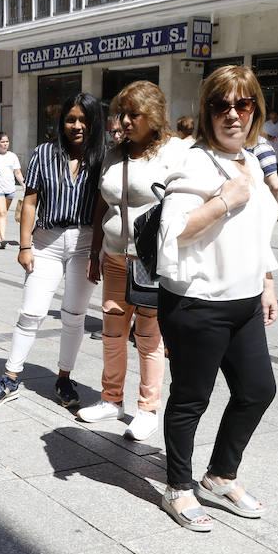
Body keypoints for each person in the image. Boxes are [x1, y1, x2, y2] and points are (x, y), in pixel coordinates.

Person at [156, 65, 278, 531]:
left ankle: (220, 474)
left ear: (255, 110)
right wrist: (224, 200)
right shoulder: (193, 161)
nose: (232, 114)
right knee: (191, 398)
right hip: (198, 302)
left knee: (257, 391)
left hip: (244, 300)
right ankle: (178, 488)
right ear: (206, 111)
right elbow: (174, 233)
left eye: (242, 104)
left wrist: (267, 282)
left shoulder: (252, 158)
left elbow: (258, 231)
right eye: (221, 105)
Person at [79, 81, 187, 441]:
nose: (123, 121)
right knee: (111, 329)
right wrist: (96, 250)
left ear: (154, 116)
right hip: (113, 255)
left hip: (149, 260)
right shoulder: (115, 152)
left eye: (132, 115)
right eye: (120, 114)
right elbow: (101, 205)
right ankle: (111, 399)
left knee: (148, 334)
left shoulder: (176, 151)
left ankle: (147, 408)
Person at [0, 93, 105, 409]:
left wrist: (96, 254)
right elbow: (31, 202)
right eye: (70, 119)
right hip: (47, 241)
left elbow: (103, 209)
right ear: (61, 121)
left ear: (93, 122)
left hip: (85, 242)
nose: (76, 125)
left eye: (83, 119)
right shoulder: (44, 153)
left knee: (74, 316)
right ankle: (10, 377)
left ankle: (64, 378)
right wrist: (24, 246)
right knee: (31, 312)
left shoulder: (103, 155)